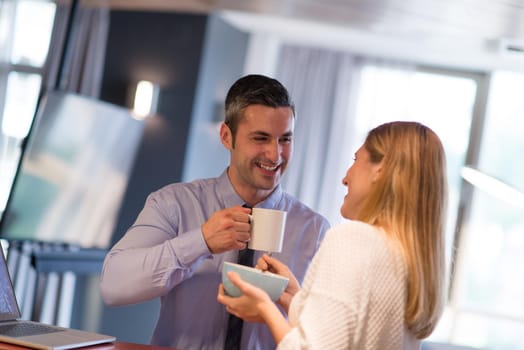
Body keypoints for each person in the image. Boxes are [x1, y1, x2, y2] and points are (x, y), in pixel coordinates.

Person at [99, 74, 330, 350]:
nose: (274, 154)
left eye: (285, 139)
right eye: (261, 138)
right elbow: (113, 286)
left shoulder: (315, 231)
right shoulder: (174, 203)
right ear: (226, 136)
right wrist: (201, 241)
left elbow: (327, 335)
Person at [218, 121, 447, 349]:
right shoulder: (407, 256)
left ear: (381, 169)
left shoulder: (354, 239)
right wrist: (295, 298)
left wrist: (264, 308)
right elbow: (354, 330)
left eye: (356, 160)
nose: (345, 178)